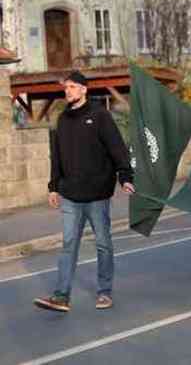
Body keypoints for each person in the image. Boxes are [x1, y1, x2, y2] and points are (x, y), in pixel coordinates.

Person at [33, 71, 135, 313]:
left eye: (71, 87)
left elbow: (117, 148)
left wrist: (125, 176)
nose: (67, 91)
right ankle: (61, 296)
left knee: (103, 244)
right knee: (68, 244)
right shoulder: (63, 119)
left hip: (97, 195)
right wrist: (53, 186)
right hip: (70, 194)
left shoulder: (100, 116)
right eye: (65, 87)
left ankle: (104, 292)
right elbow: (56, 156)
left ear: (83, 90)